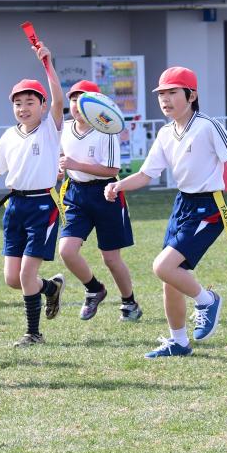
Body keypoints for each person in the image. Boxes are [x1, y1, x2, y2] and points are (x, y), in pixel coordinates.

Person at [104, 66, 227, 358]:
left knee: (163, 267)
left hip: (209, 207)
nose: (165, 100)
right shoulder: (166, 132)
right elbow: (146, 174)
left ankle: (207, 300)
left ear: (191, 95)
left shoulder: (207, 125)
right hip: (183, 204)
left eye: (172, 93)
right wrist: (119, 186)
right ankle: (178, 341)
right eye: (162, 95)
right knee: (171, 276)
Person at [0, 42, 66, 348]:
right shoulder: (9, 136)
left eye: (30, 102)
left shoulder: (50, 128)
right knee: (12, 278)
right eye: (18, 103)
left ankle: (33, 333)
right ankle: (51, 288)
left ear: (43, 106)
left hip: (43, 205)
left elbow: (59, 98)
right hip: (15, 206)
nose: (23, 108)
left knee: (26, 274)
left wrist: (48, 63)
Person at [58, 80, 141, 322]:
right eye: (73, 99)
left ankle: (129, 303)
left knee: (111, 258)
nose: (76, 105)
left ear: (97, 106)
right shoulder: (64, 128)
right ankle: (94, 289)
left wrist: (75, 164)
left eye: (83, 100)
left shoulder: (107, 129)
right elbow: (62, 161)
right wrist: (61, 168)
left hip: (107, 194)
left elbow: (112, 169)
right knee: (67, 251)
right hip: (75, 194)